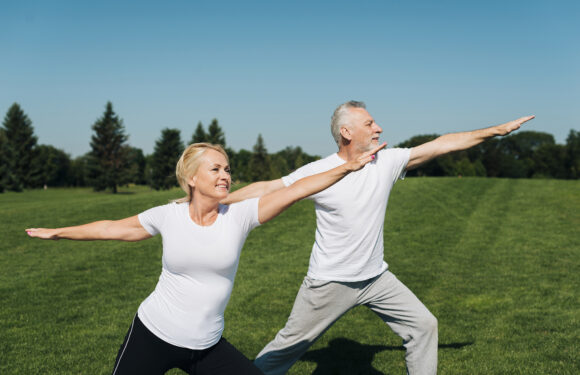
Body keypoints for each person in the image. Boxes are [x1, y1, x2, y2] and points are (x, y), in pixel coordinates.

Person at [222, 101, 535, 375]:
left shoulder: (386, 162)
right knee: (284, 350)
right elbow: (268, 188)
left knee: (424, 326)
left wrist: (495, 130)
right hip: (330, 282)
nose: (379, 128)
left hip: (376, 279)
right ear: (347, 132)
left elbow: (442, 144)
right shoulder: (320, 171)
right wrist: (214, 201)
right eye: (369, 123)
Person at [25, 142, 384, 375]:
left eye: (227, 169)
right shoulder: (168, 215)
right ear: (192, 178)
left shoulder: (241, 215)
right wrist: (57, 232)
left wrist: (347, 167)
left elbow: (298, 189)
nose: (225, 175)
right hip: (153, 334)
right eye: (216, 169)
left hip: (207, 346)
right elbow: (110, 229)